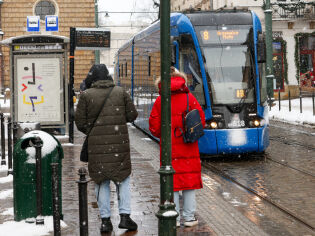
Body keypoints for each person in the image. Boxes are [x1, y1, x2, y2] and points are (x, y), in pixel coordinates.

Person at [75, 64, 138, 233]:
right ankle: (125, 216)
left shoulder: (86, 95)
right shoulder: (120, 92)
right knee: (122, 179)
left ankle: (105, 220)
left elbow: (80, 122)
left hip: (97, 147)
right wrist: (117, 121)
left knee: (101, 181)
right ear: (108, 77)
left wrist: (94, 131)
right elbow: (133, 115)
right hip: (120, 144)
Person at [149, 67, 206, 227]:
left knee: (172, 183)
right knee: (189, 183)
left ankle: (173, 217)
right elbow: (201, 120)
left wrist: (166, 134)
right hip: (188, 146)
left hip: (170, 149)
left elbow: (154, 127)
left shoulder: (161, 100)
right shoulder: (189, 98)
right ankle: (188, 218)